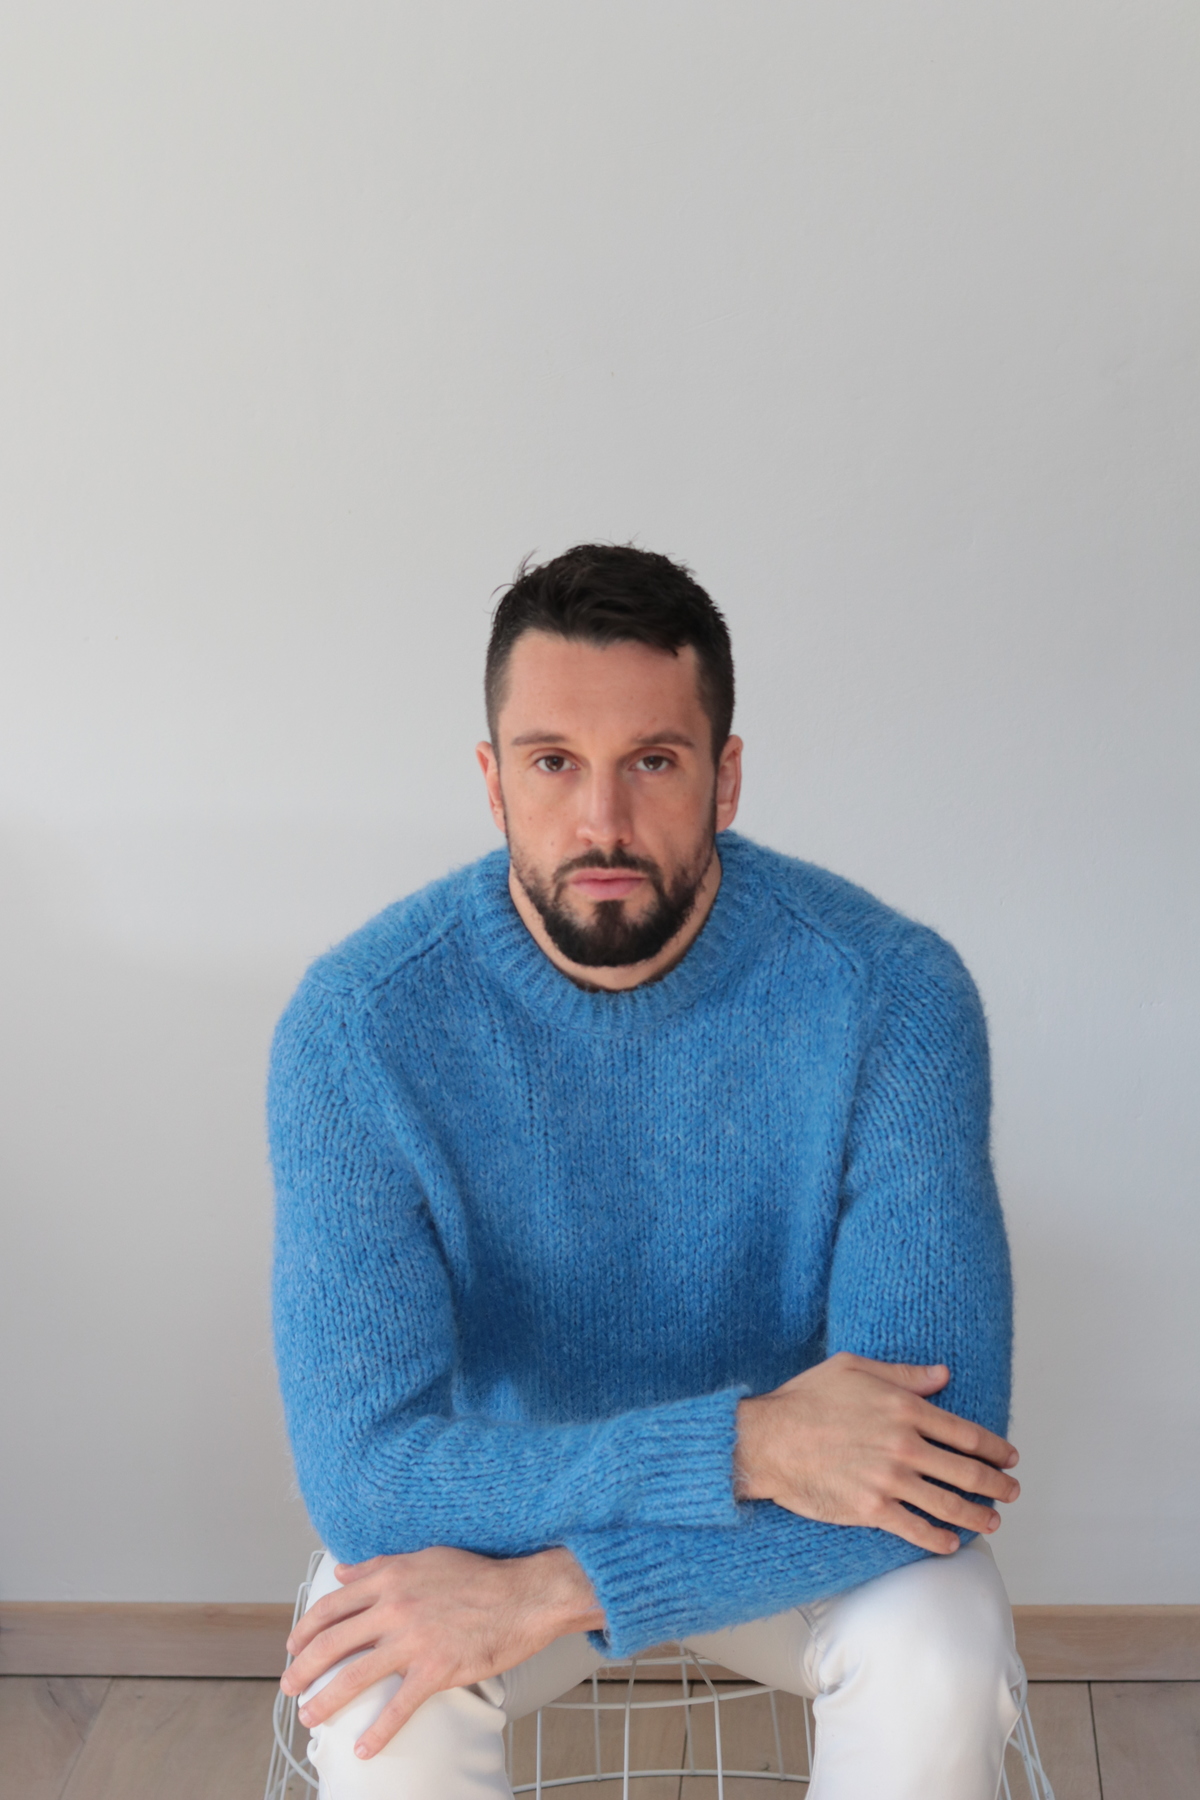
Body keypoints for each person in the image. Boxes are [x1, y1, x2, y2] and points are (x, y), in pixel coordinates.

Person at [268, 544, 1025, 1800]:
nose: (601, 823)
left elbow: (938, 1459)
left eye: (654, 762)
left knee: (940, 1654)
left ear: (726, 777)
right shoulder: (359, 1028)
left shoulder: (892, 994)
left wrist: (565, 1587)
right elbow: (368, 1482)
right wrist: (747, 1442)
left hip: (795, 1533)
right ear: (492, 781)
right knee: (374, 1709)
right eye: (552, 762)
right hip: (505, 1516)